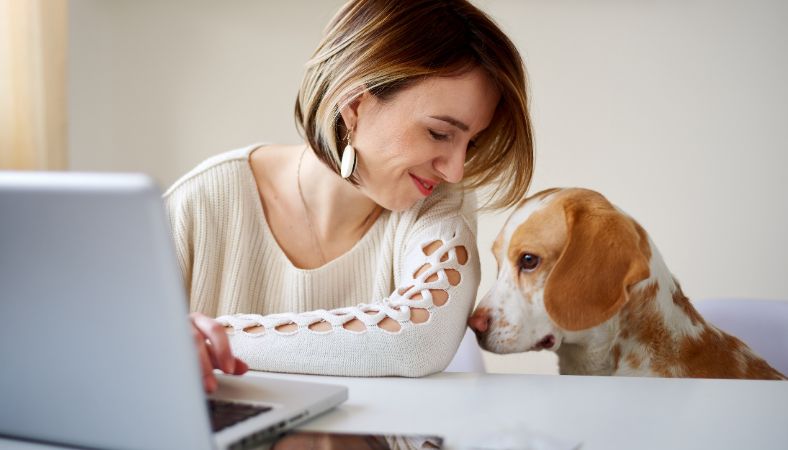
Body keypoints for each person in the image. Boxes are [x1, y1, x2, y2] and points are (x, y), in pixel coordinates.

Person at [164, 0, 533, 393]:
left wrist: (210, 338)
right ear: (354, 105)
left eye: (470, 141)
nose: (455, 170)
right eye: (440, 133)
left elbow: (418, 341)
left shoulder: (438, 204)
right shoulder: (199, 205)